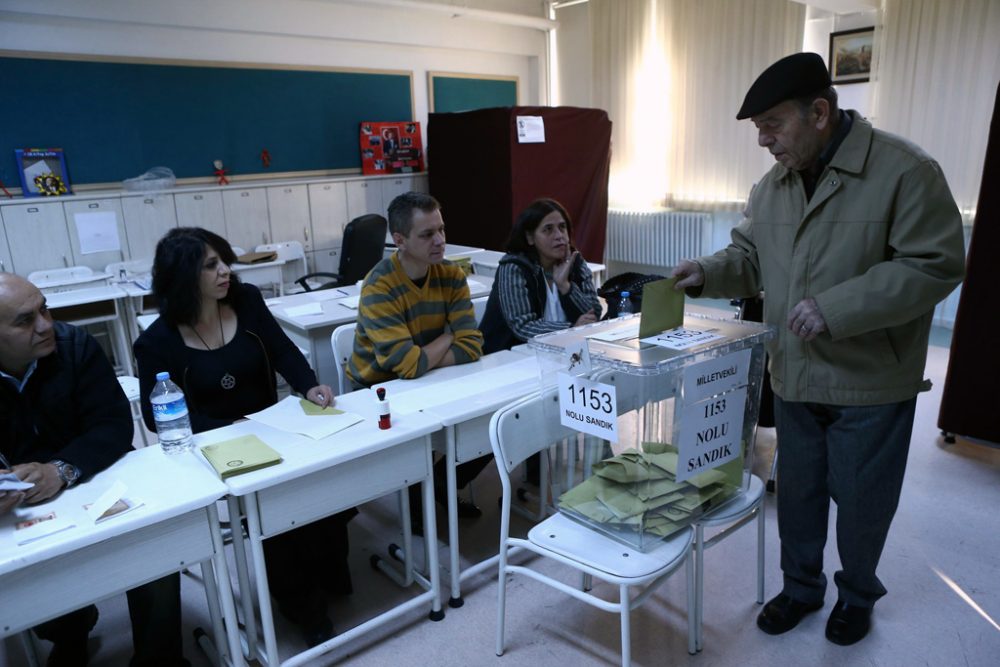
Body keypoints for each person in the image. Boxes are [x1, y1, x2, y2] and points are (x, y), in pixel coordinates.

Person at [671, 52, 966, 646]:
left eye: (773, 126)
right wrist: (706, 272)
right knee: (798, 495)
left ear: (820, 112)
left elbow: (935, 264)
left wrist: (837, 308)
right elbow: (752, 259)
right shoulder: (773, 185)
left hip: (869, 379)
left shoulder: (905, 171)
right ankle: (801, 588)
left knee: (862, 502)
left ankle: (857, 596)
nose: (764, 141)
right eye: (757, 130)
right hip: (796, 373)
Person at [133, 227, 349, 647]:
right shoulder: (157, 342)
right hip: (213, 447)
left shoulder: (246, 302)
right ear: (183, 276)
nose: (225, 271)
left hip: (278, 427)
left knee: (328, 478)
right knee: (275, 507)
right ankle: (300, 603)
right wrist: (228, 430)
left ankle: (324, 575)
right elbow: (156, 416)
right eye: (211, 265)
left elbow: (283, 350)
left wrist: (309, 386)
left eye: (224, 260)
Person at [0, 272, 186, 666]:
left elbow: (115, 424)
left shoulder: (73, 345)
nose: (45, 325)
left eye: (44, 309)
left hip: (97, 476)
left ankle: (159, 660)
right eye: (24, 320)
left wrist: (61, 469)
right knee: (35, 581)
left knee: (156, 548)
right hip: (25, 508)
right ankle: (70, 632)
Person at [346, 192, 484, 523]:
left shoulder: (450, 275)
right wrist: (450, 335)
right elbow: (405, 366)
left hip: (431, 381)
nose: (440, 241)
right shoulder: (379, 286)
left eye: (441, 230)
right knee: (424, 438)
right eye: (427, 234)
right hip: (377, 391)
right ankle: (420, 498)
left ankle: (440, 482)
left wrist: (428, 354)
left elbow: (473, 346)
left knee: (489, 423)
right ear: (400, 240)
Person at [480, 198, 601, 354]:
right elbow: (523, 326)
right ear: (530, 237)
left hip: (562, 351)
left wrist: (566, 286)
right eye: (548, 229)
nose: (559, 236)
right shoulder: (514, 267)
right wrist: (570, 330)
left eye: (562, 227)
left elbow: (594, 314)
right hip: (509, 355)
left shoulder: (574, 261)